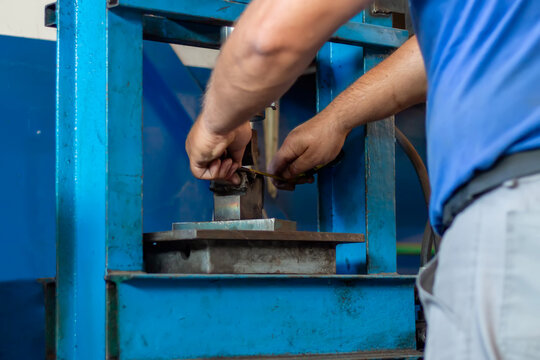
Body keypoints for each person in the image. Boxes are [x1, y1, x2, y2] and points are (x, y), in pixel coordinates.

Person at [185, 0, 540, 358]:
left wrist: (217, 124)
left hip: (515, 223)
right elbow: (450, 47)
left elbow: (272, 37)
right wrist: (335, 120)